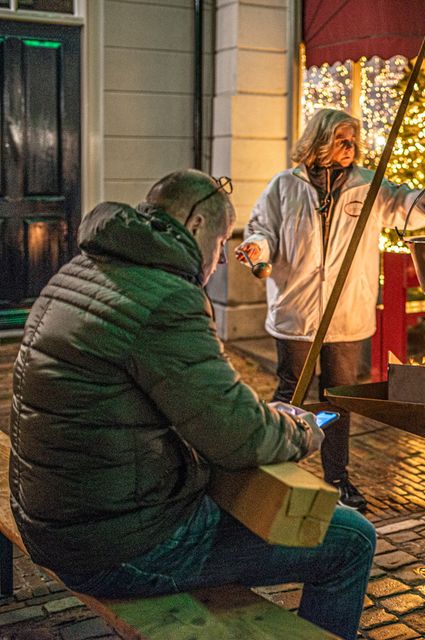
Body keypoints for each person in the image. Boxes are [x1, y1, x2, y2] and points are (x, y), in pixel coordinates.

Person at [9, 170, 376, 639]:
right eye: (222, 242)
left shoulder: (80, 270)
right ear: (197, 223)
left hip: (57, 517)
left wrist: (249, 420)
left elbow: (201, 407)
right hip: (118, 546)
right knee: (351, 539)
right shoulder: (166, 299)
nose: (221, 259)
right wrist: (300, 428)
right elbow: (237, 436)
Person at [238, 108, 425, 513]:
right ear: (319, 141)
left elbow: (402, 204)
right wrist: (257, 250)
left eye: (353, 141)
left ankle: (337, 478)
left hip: (347, 313)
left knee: (338, 401)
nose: (350, 148)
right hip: (296, 311)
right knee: (290, 395)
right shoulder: (285, 185)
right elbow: (260, 229)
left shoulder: (367, 185)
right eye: (341, 140)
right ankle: (281, 473)